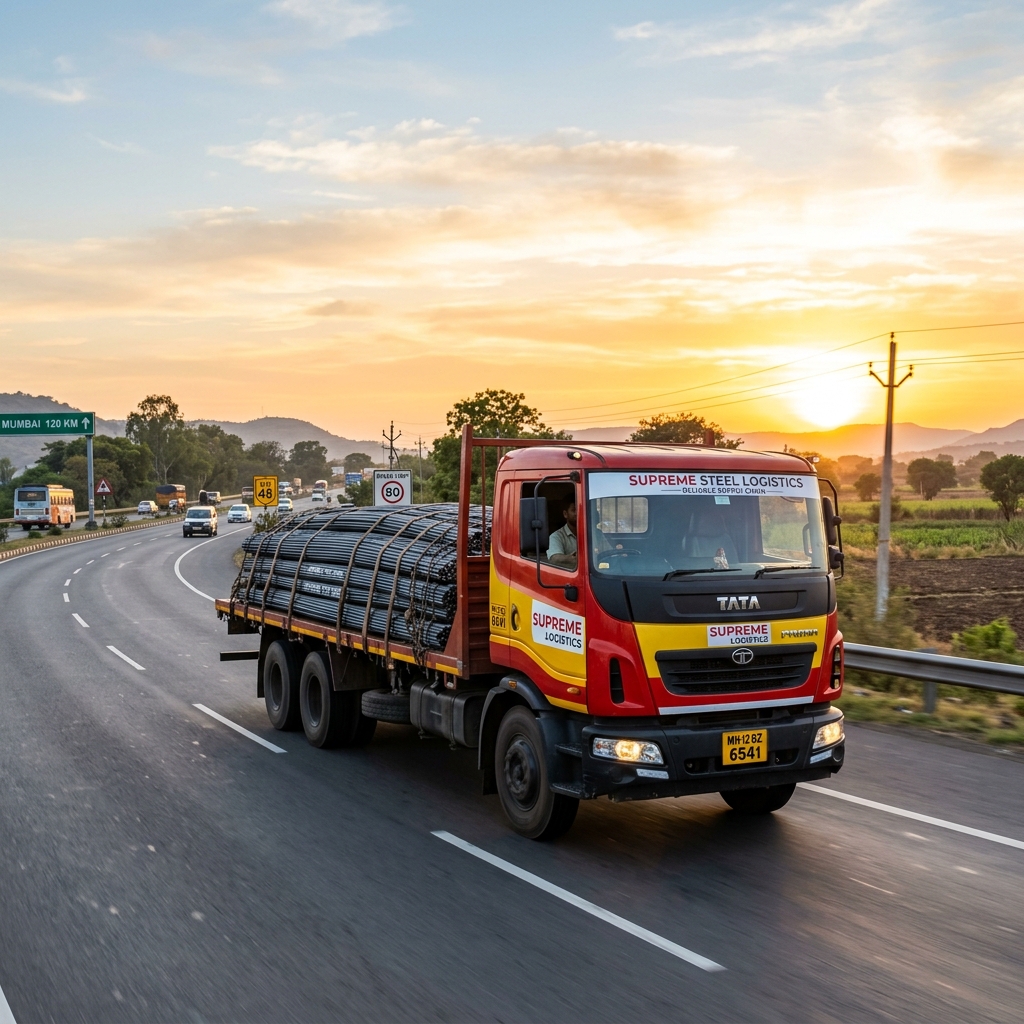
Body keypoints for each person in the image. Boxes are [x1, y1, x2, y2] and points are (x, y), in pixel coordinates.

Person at [547, 500, 578, 568]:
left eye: (580, 509)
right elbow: (554, 558)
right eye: (573, 510)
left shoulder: (595, 533)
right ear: (565, 514)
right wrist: (572, 559)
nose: (577, 513)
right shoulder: (556, 536)